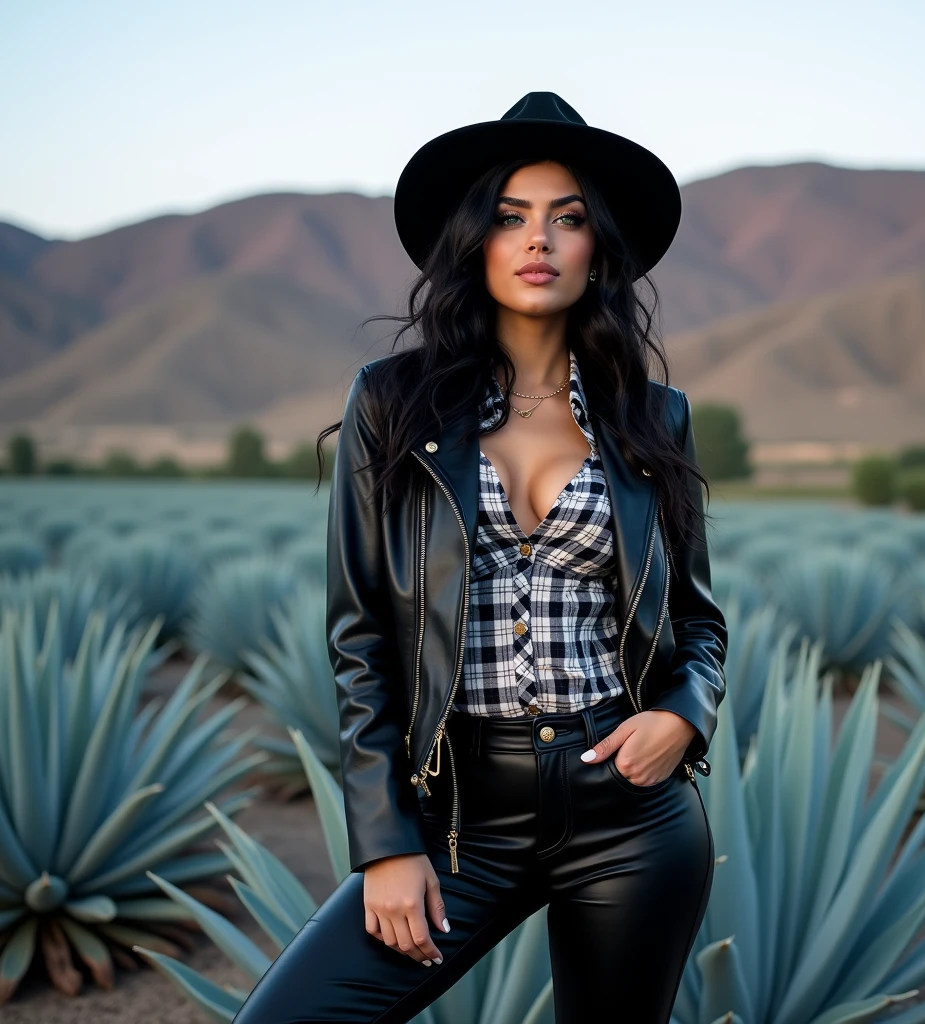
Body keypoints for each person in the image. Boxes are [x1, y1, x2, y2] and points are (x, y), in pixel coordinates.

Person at [232, 91, 728, 1024]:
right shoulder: (393, 403)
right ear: (476, 242)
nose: (538, 240)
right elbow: (360, 635)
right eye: (510, 217)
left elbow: (697, 619)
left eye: (567, 219)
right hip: (461, 820)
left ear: (597, 252)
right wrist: (384, 844)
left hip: (631, 813)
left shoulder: (655, 418)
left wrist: (685, 715)